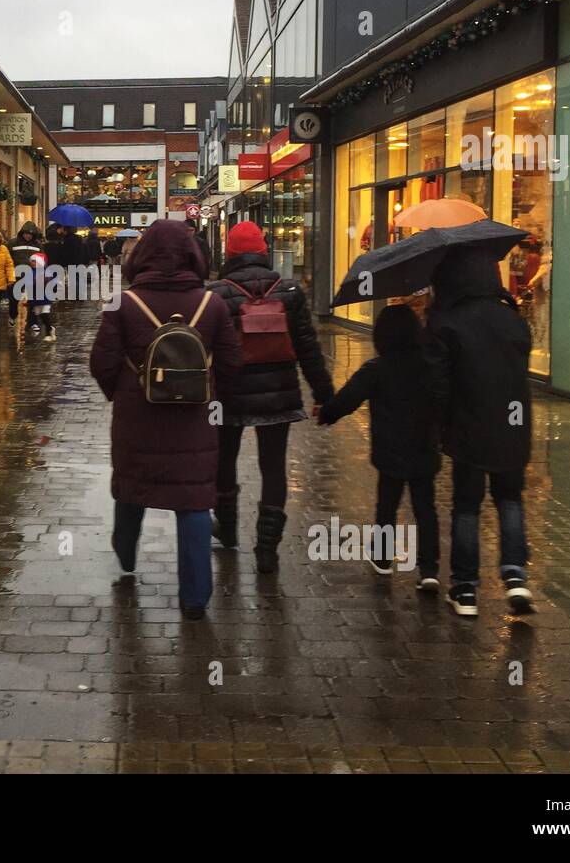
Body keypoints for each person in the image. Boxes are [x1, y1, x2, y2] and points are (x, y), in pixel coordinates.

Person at [90, 219, 242, 620]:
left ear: (142, 257)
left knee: (130, 488)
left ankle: (126, 555)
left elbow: (101, 363)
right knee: (192, 501)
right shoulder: (212, 304)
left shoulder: (123, 303)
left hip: (136, 419)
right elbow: (231, 363)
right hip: (193, 422)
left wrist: (124, 395)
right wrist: (208, 395)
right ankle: (195, 599)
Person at [208, 221, 333, 572]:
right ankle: (267, 549)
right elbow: (308, 348)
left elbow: (207, 349)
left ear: (230, 254)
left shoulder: (216, 293)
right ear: (263, 252)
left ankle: (228, 529)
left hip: (229, 393)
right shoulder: (290, 291)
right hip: (279, 393)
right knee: (273, 467)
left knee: (224, 459)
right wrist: (325, 394)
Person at [425, 245, 534, 617]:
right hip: (513, 422)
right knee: (510, 498)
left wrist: (438, 424)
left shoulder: (448, 320)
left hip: (469, 424)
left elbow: (438, 382)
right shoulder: (512, 318)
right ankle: (516, 576)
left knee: (467, 506)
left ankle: (466, 588)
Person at [317, 304, 440, 588]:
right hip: (424, 449)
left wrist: (327, 413)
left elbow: (349, 398)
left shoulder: (377, 368)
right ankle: (430, 569)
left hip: (390, 451)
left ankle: (383, 559)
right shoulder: (430, 366)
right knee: (426, 508)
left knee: (387, 505)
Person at [8, 221, 43, 330]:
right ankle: (13, 315)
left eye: (30, 234)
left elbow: (42, 260)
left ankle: (33, 322)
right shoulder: (13, 243)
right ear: (22, 233)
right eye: (26, 233)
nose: (28, 236)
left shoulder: (38, 245)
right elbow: (7, 258)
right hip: (16, 275)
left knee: (33, 300)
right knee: (14, 298)